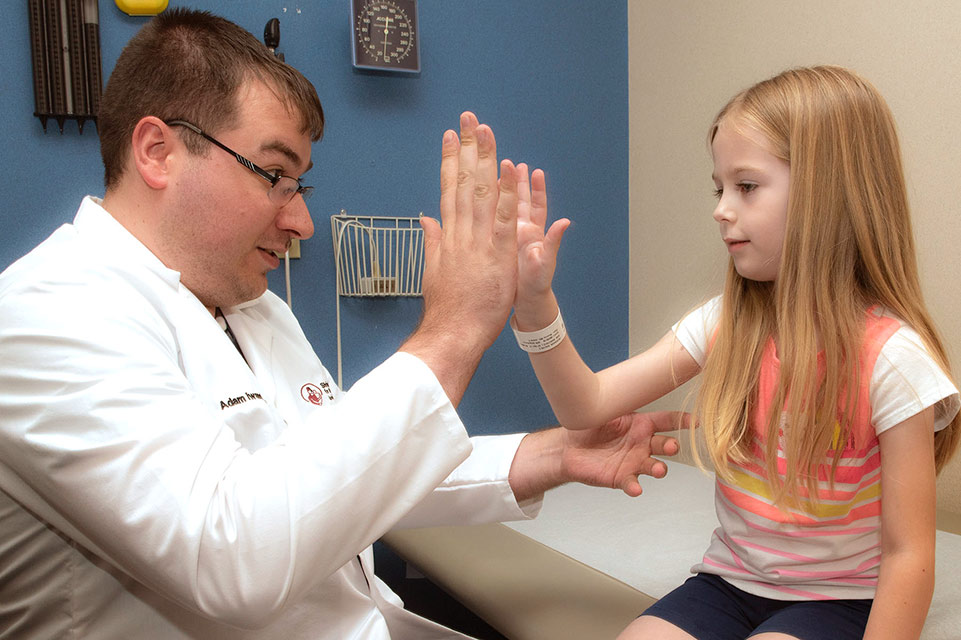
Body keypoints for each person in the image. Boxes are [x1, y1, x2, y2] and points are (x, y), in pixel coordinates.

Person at [0, 9, 682, 640]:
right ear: (157, 151)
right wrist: (450, 333)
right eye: (273, 174)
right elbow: (233, 560)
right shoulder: (45, 315)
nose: (299, 222)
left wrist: (550, 455)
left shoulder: (250, 307)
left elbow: (336, 474)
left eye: (300, 185)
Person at [512, 65, 961, 640]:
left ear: (829, 195)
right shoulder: (727, 322)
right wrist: (535, 306)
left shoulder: (894, 362)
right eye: (719, 188)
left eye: (746, 187)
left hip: (840, 599)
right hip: (726, 583)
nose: (721, 209)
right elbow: (586, 406)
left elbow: (908, 558)